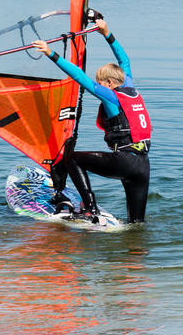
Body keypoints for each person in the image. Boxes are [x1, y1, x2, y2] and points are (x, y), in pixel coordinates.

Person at [31, 18, 152, 223]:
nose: (100, 86)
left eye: (101, 83)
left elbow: (80, 77)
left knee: (72, 159)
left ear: (110, 83)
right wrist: (107, 33)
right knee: (136, 223)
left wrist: (51, 53)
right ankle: (136, 251)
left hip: (123, 162)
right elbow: (125, 62)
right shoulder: (131, 89)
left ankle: (90, 208)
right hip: (143, 166)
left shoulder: (111, 95)